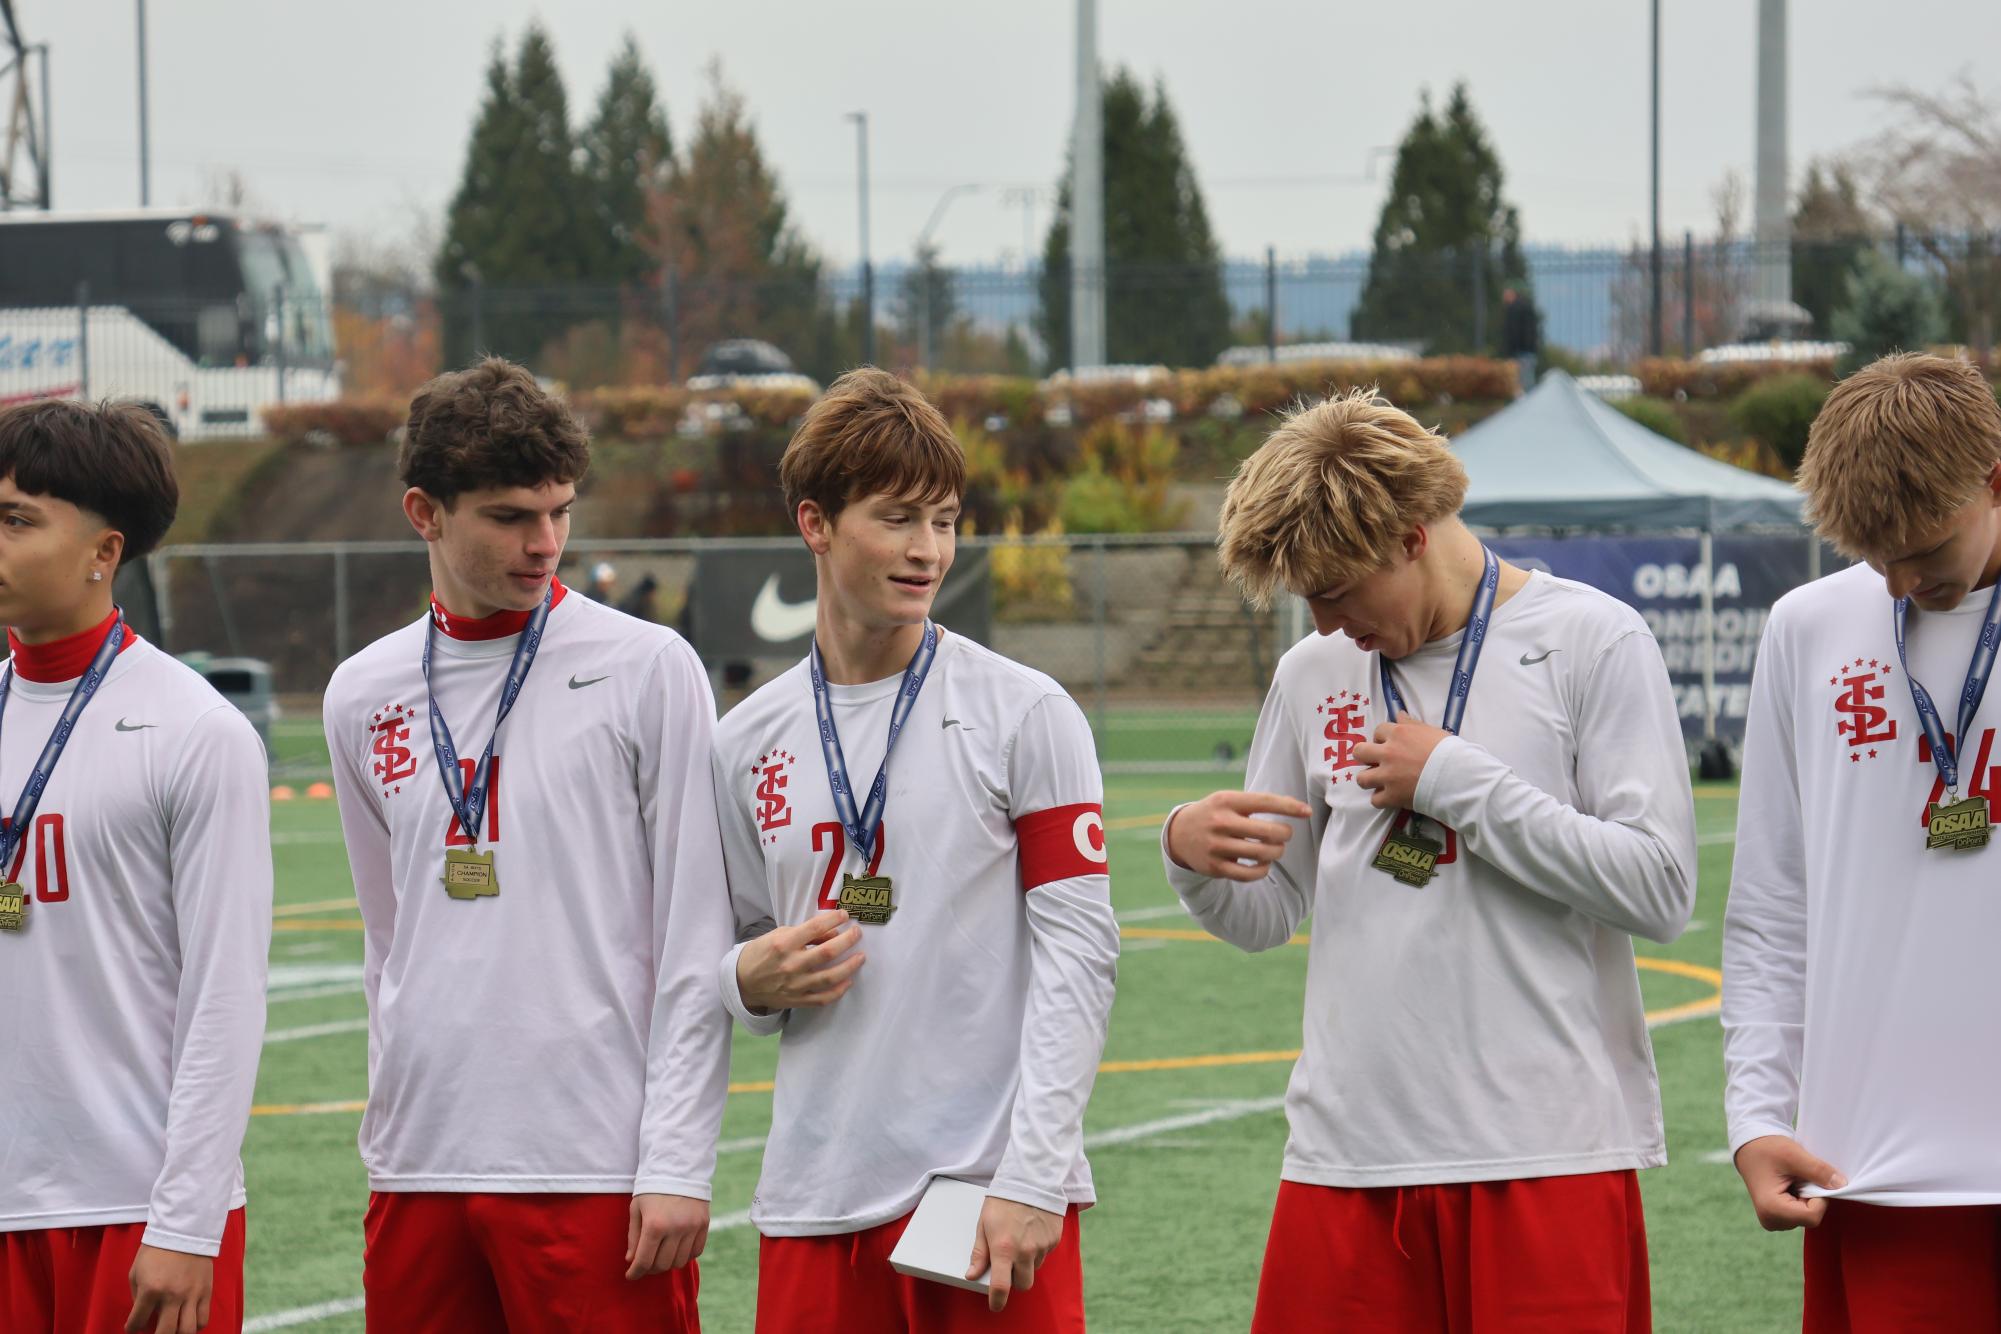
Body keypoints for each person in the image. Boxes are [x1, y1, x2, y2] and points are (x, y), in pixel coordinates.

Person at [1164, 387, 1695, 1332]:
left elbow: (1657, 888)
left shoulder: (1591, 639)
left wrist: (1456, 780)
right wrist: (1193, 858)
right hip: (1347, 1157)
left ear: (1411, 535)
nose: (1325, 626)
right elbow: (1266, 914)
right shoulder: (1311, 675)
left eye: (1333, 593)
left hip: (1543, 1156)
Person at [322, 359, 734, 1332]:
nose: (545, 541)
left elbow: (695, 930)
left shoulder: (649, 669)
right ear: (425, 511)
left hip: (592, 1163)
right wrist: (391, 1125)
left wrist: (677, 1156)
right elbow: (390, 943)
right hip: (421, 1164)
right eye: (510, 515)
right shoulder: (361, 691)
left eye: (559, 510)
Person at [712, 367, 1119, 1332]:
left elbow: (1081, 959)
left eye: (943, 521)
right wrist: (746, 980)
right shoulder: (742, 742)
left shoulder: (1026, 713)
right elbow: (712, 959)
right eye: (897, 519)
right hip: (814, 1200)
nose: (927, 549)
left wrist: (1035, 1175)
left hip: (985, 1200)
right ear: (816, 524)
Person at [1725, 352, 2001, 1329]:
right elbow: (1769, 904)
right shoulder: (1808, 626)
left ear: (1994, 481)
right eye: (1874, 555)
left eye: (1924, 547)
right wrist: (1757, 1114)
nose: (1900, 578)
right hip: (1876, 1176)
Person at [0, 399, 271, 1334]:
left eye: (16, 519)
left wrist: (188, 1222)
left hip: (136, 1212)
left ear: (103, 552)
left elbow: (226, 997)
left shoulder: (198, 732)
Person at [1500, 285, 1541, 394]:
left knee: (1523, 384)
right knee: (1528, 382)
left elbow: (1514, 332)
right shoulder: (1526, 306)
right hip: (1528, 350)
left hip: (1520, 351)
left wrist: (1510, 352)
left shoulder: (1514, 309)